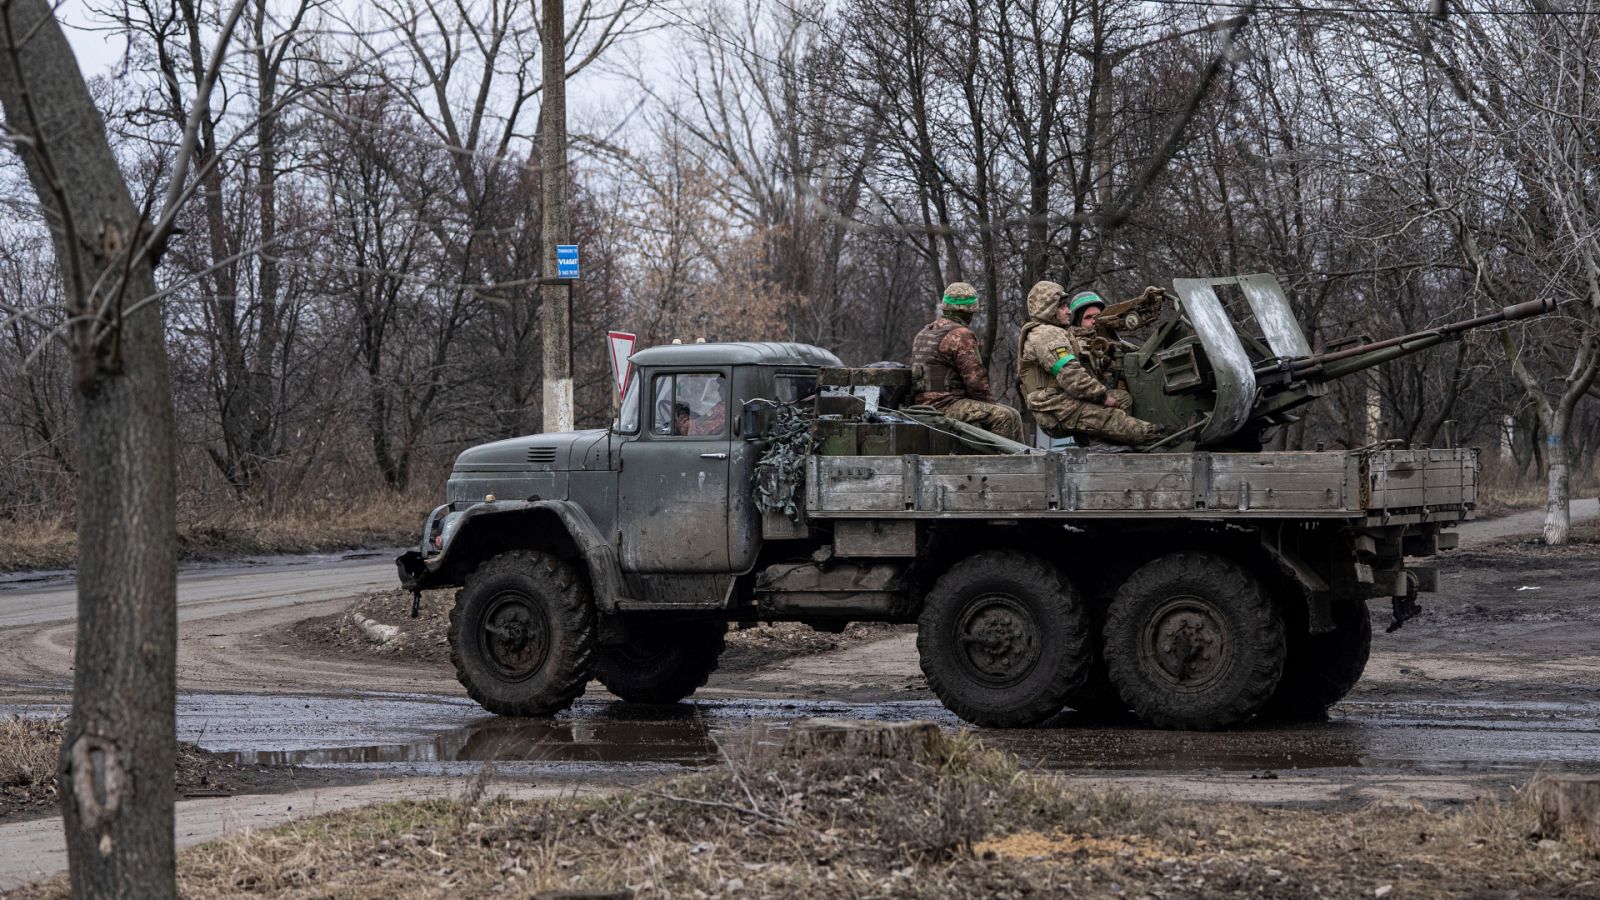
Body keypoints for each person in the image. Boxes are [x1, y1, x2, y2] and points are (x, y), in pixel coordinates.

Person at [1017, 281, 1165, 447]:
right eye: (1062, 307)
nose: (1068, 311)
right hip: (1056, 407)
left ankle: (1109, 446)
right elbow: (1070, 375)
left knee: (1122, 400)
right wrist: (1102, 397)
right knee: (1121, 423)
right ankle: (1165, 436)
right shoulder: (1046, 334)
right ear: (1048, 309)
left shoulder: (1056, 333)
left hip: (1064, 402)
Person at [908, 281, 1024, 442]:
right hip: (945, 407)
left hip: (922, 407)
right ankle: (1001, 465)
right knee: (1003, 416)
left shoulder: (925, 332)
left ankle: (1020, 460)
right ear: (969, 312)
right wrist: (990, 405)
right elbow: (976, 381)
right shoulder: (961, 334)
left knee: (1013, 414)